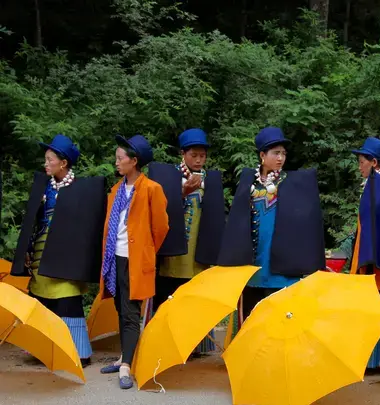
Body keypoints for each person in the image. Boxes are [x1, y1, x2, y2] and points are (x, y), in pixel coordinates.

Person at [218, 127, 325, 342]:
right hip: (255, 265)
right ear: (262, 155)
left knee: (282, 317)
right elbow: (237, 225)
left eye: (283, 153)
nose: (281, 158)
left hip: (283, 265)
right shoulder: (250, 185)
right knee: (252, 315)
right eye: (276, 153)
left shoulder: (292, 185)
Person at [11, 135, 107, 367]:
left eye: (49, 159)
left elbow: (89, 228)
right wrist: (27, 249)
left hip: (68, 255)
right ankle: (45, 349)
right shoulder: (44, 186)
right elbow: (33, 222)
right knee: (42, 298)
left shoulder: (82, 190)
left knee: (67, 300)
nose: (45, 163)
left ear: (63, 163)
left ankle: (77, 352)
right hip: (42, 252)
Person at [99, 135, 169, 390]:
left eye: (120, 158)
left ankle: (127, 365)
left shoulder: (152, 189)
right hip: (114, 256)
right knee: (120, 306)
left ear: (134, 161)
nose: (116, 162)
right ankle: (124, 357)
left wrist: (146, 250)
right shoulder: (117, 190)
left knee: (130, 312)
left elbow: (161, 227)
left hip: (135, 259)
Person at [149, 128, 225, 356]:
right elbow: (157, 208)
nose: (199, 160)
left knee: (195, 296)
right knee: (171, 293)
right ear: (183, 154)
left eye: (203, 155)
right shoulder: (168, 177)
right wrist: (181, 193)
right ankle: (165, 341)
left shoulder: (210, 179)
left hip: (198, 250)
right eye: (194, 155)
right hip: (173, 249)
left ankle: (196, 344)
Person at [343, 137, 380, 372]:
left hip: (378, 263)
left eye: (362, 161)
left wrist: (371, 258)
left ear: (374, 162)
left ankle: (378, 360)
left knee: (376, 306)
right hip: (368, 256)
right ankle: (370, 359)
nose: (359, 166)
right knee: (369, 307)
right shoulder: (379, 186)